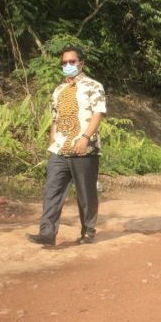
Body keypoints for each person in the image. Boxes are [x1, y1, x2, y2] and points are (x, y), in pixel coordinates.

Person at [26, 46, 107, 246]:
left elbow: (99, 113)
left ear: (82, 63)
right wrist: (52, 142)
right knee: (52, 190)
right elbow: (55, 118)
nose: (68, 65)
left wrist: (86, 137)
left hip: (84, 148)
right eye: (64, 63)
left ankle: (88, 230)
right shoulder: (59, 90)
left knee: (85, 193)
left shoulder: (93, 86)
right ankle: (47, 233)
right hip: (60, 150)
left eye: (72, 62)